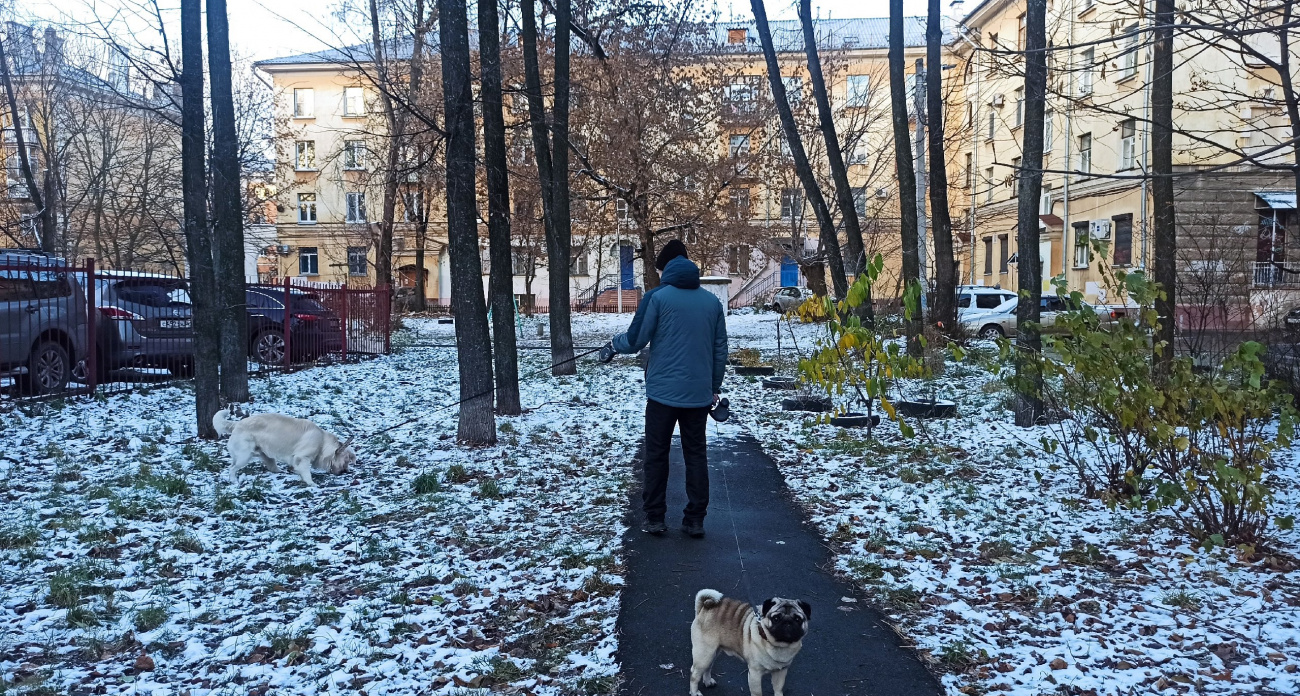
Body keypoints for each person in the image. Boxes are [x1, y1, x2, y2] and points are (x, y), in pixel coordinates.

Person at [599, 239, 727, 537]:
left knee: (656, 454)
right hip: (698, 395)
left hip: (661, 396)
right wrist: (713, 387)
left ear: (666, 268)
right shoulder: (711, 303)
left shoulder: (656, 298)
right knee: (696, 454)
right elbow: (720, 349)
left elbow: (635, 340)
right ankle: (695, 519)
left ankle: (655, 518)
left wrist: (611, 346)